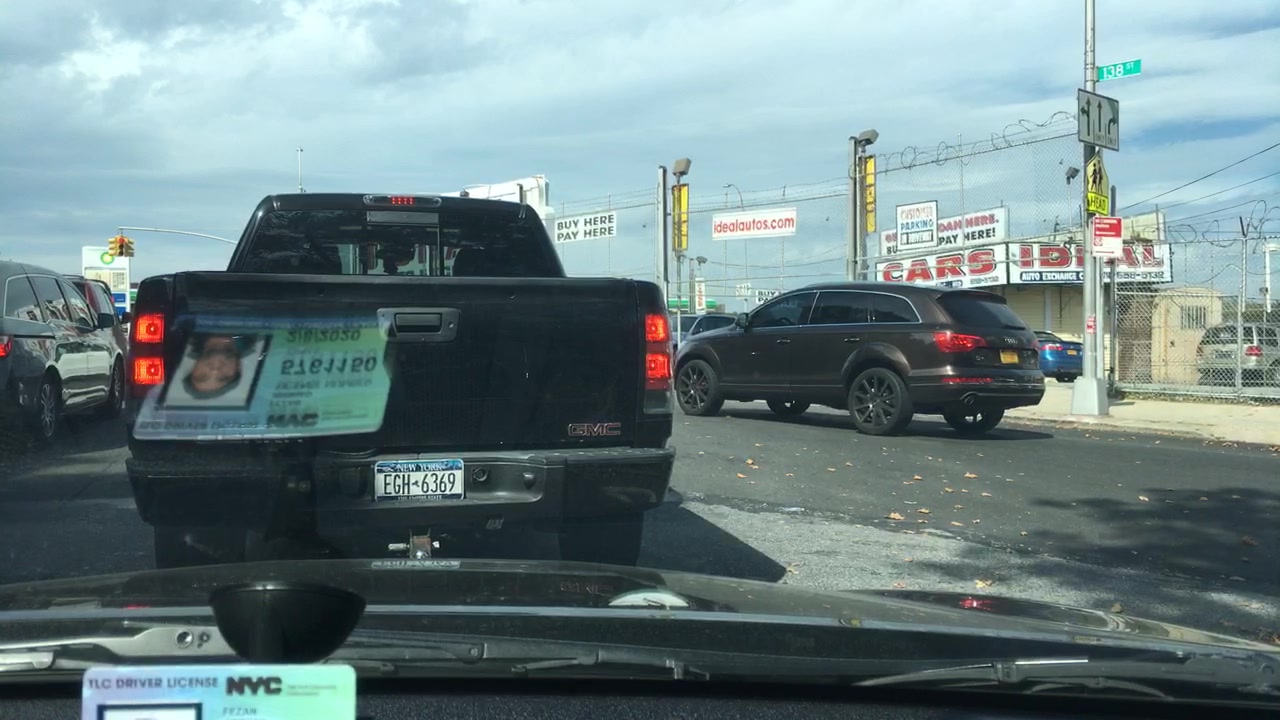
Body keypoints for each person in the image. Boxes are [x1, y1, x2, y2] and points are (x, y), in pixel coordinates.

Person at [180, 334, 253, 402]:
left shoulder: (184, 333)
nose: (215, 371)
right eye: (224, 377)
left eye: (202, 375)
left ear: (193, 368)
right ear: (238, 368)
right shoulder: (255, 335)